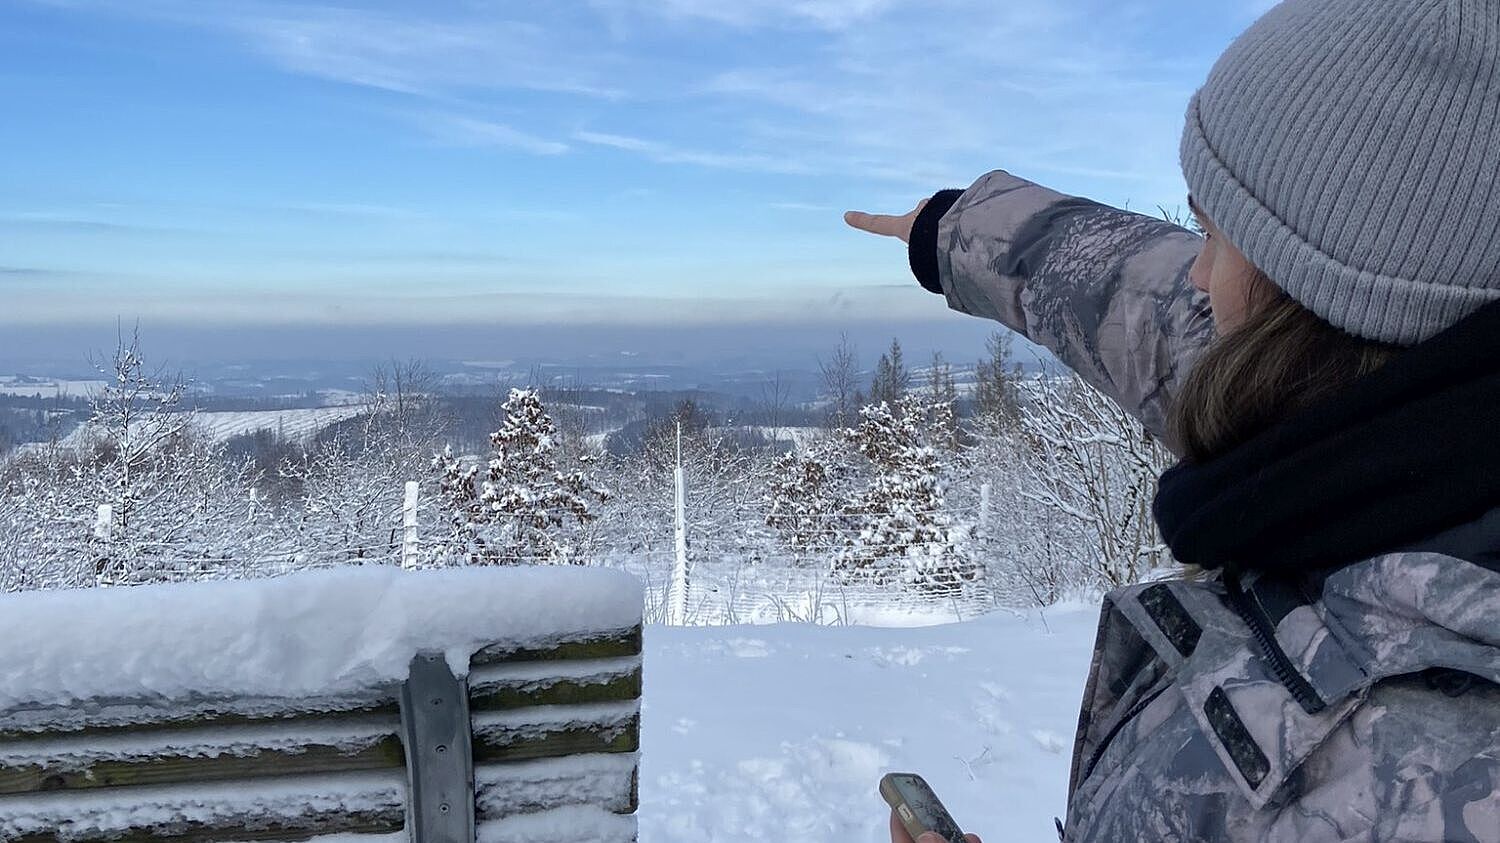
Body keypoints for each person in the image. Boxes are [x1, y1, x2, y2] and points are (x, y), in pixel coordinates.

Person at [847, 0, 1500, 840]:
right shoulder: (1366, 405)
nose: (1194, 272)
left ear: (1335, 293)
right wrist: (953, 231)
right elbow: (1134, 297)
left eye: (1214, 234)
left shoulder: (1428, 775)